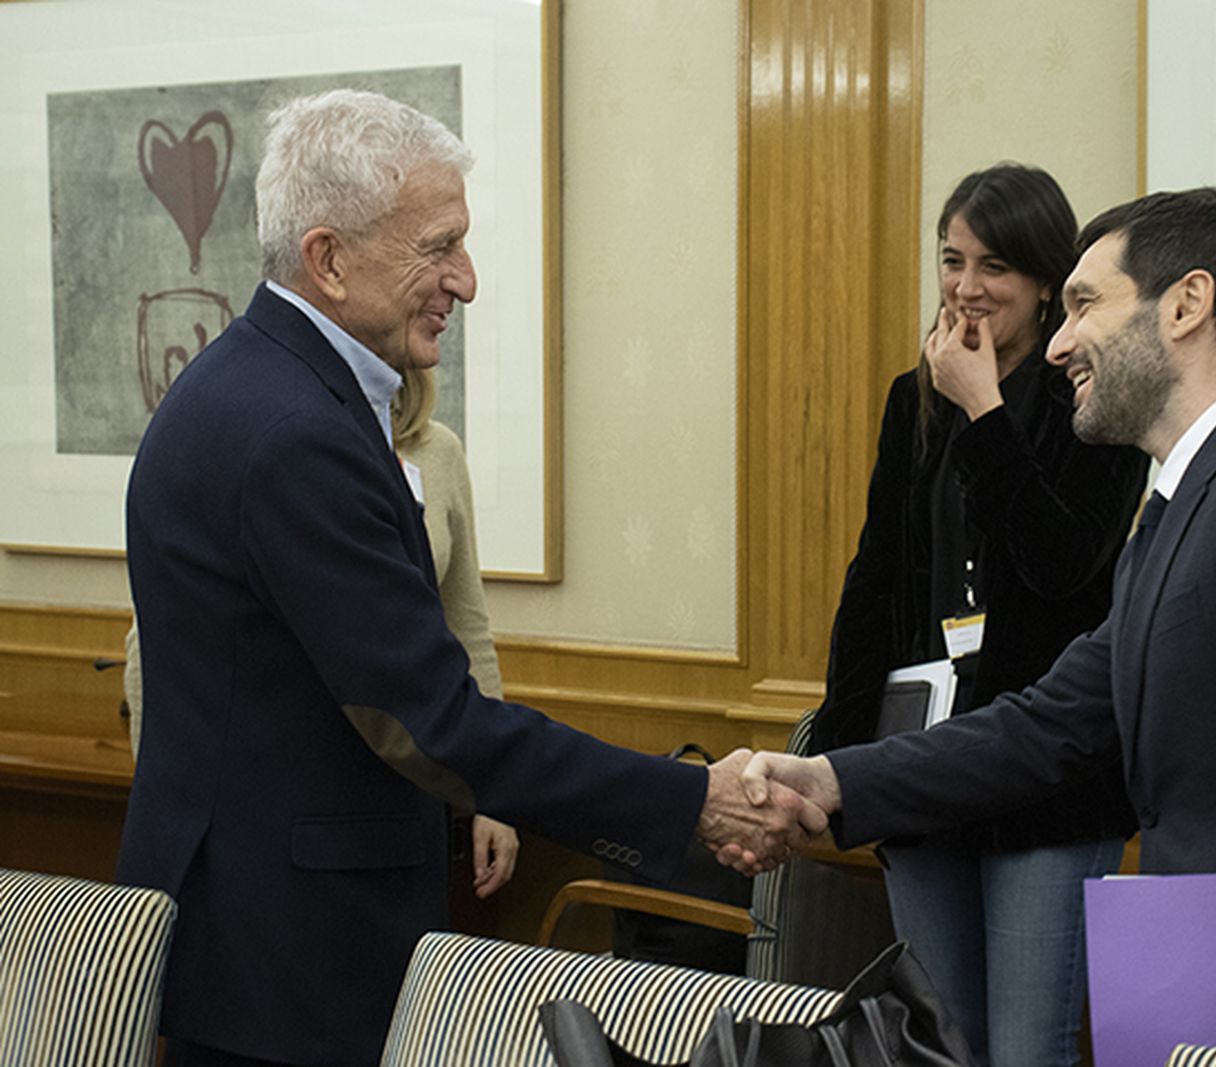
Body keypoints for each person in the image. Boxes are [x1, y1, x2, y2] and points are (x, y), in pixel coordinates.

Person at [117, 89, 818, 1066]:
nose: (468, 279)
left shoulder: (242, 389)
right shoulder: (296, 436)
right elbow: (428, 715)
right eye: (436, 246)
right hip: (291, 967)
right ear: (327, 258)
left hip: (250, 944)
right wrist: (686, 798)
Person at [736, 187, 1216, 1067]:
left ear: (1186, 305)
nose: (1061, 342)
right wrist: (830, 778)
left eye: (1083, 304)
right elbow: (1048, 724)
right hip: (1207, 973)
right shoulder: (1183, 508)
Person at [809, 163, 1144, 1067]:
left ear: (1046, 280)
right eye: (951, 260)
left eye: (993, 265)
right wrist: (832, 759)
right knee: (940, 1044)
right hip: (924, 767)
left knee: (1026, 1049)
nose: (965, 287)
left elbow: (1062, 569)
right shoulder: (909, 398)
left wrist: (984, 408)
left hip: (1047, 783)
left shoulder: (1098, 402)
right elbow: (877, 583)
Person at [122, 366, 522, 902]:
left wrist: (495, 792)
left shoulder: (440, 453)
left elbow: (466, 628)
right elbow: (152, 651)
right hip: (271, 806)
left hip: (403, 803)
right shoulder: (272, 442)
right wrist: (168, 802)